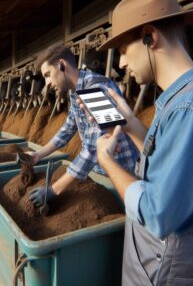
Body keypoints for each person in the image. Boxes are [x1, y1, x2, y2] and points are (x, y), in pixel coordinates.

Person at [88, 0, 193, 285]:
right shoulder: (182, 100)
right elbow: (170, 167)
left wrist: (107, 160)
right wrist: (129, 123)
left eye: (124, 50)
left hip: (164, 274)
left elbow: (157, 212)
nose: (122, 64)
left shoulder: (190, 108)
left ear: (149, 37)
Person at [28, 44, 139, 207]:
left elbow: (94, 147)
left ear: (62, 65)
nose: (48, 83)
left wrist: (54, 190)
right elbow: (67, 129)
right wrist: (38, 155)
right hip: (104, 172)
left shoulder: (94, 88)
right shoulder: (76, 90)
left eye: (48, 75)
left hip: (124, 173)